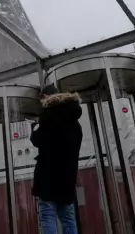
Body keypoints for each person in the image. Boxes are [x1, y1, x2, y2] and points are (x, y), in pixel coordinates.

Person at [31, 84, 83, 234]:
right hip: (68, 176)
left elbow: (38, 140)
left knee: (47, 214)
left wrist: (34, 127)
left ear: (46, 97)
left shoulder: (49, 116)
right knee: (68, 217)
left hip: (48, 176)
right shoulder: (75, 121)